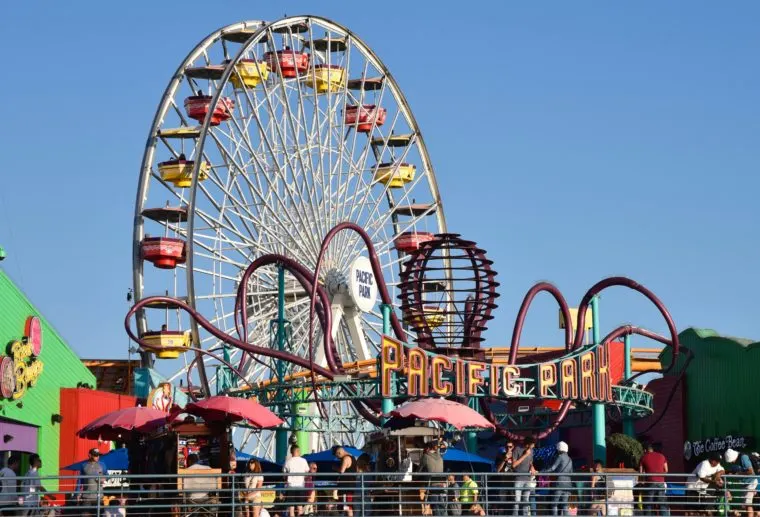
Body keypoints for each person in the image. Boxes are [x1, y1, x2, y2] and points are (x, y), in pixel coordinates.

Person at [542, 441, 573, 516]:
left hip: (559, 484)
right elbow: (571, 472)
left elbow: (552, 468)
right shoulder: (570, 459)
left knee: (554, 504)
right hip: (568, 485)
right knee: (565, 504)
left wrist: (542, 471)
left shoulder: (560, 457)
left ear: (559, 449)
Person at [639, 443, 670, 516]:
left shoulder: (643, 457)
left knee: (648, 504)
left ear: (645, 450)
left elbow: (640, 473)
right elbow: (666, 470)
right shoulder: (662, 456)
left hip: (650, 483)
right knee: (662, 504)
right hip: (660, 483)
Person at [724, 449, 756, 517]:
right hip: (745, 484)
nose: (732, 462)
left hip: (751, 482)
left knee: (747, 504)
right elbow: (735, 471)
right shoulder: (736, 461)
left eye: (732, 461)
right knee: (744, 504)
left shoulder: (743, 457)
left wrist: (737, 473)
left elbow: (751, 471)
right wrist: (730, 473)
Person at [418, 440, 446, 517]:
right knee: (441, 505)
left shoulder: (426, 456)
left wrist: (415, 476)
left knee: (435, 506)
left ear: (427, 448)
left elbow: (418, 471)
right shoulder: (441, 457)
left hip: (431, 484)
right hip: (441, 484)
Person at [76, 448, 106, 516]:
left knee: (99, 515)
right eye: (95, 455)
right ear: (89, 455)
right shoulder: (83, 465)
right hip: (87, 497)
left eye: (98, 455)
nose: (97, 457)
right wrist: (77, 493)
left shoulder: (102, 465)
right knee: (85, 515)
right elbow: (80, 480)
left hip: (99, 496)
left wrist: (104, 479)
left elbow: (107, 475)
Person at [283, 445, 309, 517]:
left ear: (291, 452)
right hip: (300, 486)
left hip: (291, 486)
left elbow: (284, 475)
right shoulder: (304, 461)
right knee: (300, 508)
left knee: (291, 508)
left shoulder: (288, 461)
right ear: (298, 451)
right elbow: (307, 473)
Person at [512, 437, 535, 516]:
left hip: (528, 478)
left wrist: (532, 467)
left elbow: (531, 462)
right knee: (517, 500)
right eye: (532, 445)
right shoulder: (517, 449)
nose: (533, 447)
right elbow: (514, 465)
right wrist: (525, 455)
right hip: (518, 478)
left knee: (526, 500)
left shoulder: (531, 451)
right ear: (527, 444)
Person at [333, 447, 357, 517]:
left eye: (337, 456)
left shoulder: (346, 458)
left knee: (347, 507)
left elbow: (342, 471)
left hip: (346, 487)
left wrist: (335, 468)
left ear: (339, 453)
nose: (337, 458)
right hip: (350, 486)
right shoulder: (353, 457)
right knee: (347, 506)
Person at [495, 442, 515, 515]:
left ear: (513, 447)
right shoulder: (501, 456)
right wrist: (504, 459)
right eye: (506, 447)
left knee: (514, 502)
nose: (508, 448)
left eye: (510, 447)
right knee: (502, 502)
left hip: (513, 482)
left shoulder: (515, 455)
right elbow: (498, 470)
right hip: (504, 482)